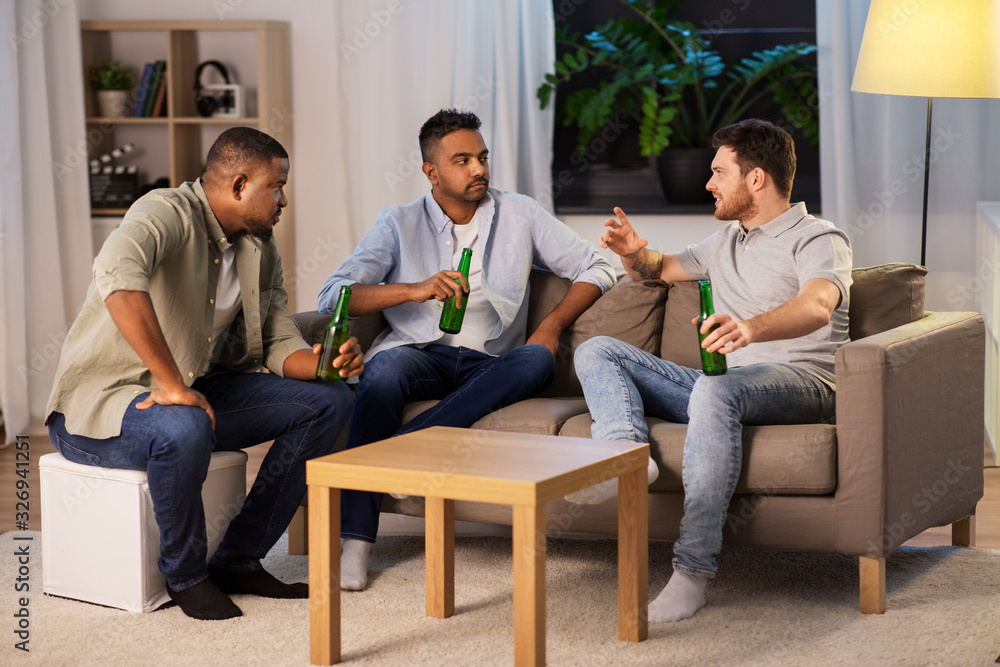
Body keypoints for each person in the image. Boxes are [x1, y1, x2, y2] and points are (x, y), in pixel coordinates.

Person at [46, 127, 364, 621]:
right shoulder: (165, 211)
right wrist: (170, 384)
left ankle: (239, 558)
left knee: (330, 400)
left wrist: (326, 363)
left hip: (193, 391)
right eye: (276, 187)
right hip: (100, 405)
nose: (283, 200)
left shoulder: (261, 248)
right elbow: (116, 272)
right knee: (185, 424)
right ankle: (187, 576)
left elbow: (280, 341)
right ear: (239, 186)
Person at [318, 108, 618, 590]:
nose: (479, 169)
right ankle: (356, 541)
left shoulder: (519, 213)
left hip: (494, 362)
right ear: (431, 171)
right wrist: (413, 289)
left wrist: (552, 325)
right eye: (462, 160)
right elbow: (334, 295)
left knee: (537, 359)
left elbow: (600, 265)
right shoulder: (397, 223)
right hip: (420, 353)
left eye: (482, 157)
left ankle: (398, 454)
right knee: (384, 372)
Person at [569, 119, 852, 622]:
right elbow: (659, 268)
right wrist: (634, 252)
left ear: (757, 178)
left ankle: (692, 573)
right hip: (723, 386)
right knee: (597, 351)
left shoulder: (817, 237)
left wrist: (750, 328)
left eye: (719, 172)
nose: (709, 183)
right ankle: (626, 455)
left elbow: (818, 305)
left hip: (803, 383)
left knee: (717, 392)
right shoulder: (726, 241)